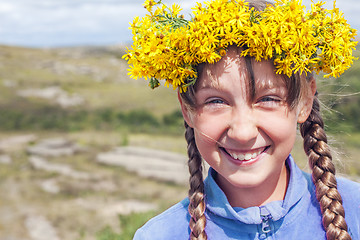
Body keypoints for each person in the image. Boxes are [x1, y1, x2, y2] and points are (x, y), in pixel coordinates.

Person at [123, 0, 360, 239]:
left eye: (268, 99)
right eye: (216, 101)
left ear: (305, 101)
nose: (243, 132)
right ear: (187, 109)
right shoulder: (159, 235)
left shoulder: (355, 211)